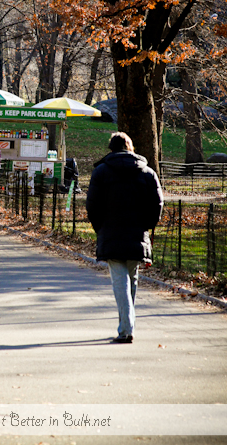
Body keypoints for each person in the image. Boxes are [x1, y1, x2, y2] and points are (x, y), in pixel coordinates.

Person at [86, 132, 163, 344]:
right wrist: (146, 226)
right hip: (136, 235)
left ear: (111, 148)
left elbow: (92, 205)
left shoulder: (101, 172)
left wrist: (100, 228)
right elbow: (157, 205)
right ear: (131, 147)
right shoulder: (148, 173)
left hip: (111, 234)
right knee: (132, 280)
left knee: (120, 283)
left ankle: (126, 329)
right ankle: (125, 325)